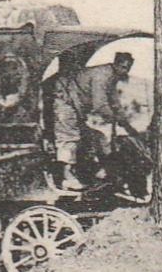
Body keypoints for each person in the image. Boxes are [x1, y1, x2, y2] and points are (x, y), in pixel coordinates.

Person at [52, 50, 136, 192]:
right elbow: (100, 104)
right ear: (116, 64)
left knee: (96, 137)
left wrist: (125, 122)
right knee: (70, 139)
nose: (124, 71)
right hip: (65, 103)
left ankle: (102, 172)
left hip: (76, 107)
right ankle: (67, 178)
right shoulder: (102, 75)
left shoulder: (111, 77)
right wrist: (113, 118)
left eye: (127, 68)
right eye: (122, 67)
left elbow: (114, 102)